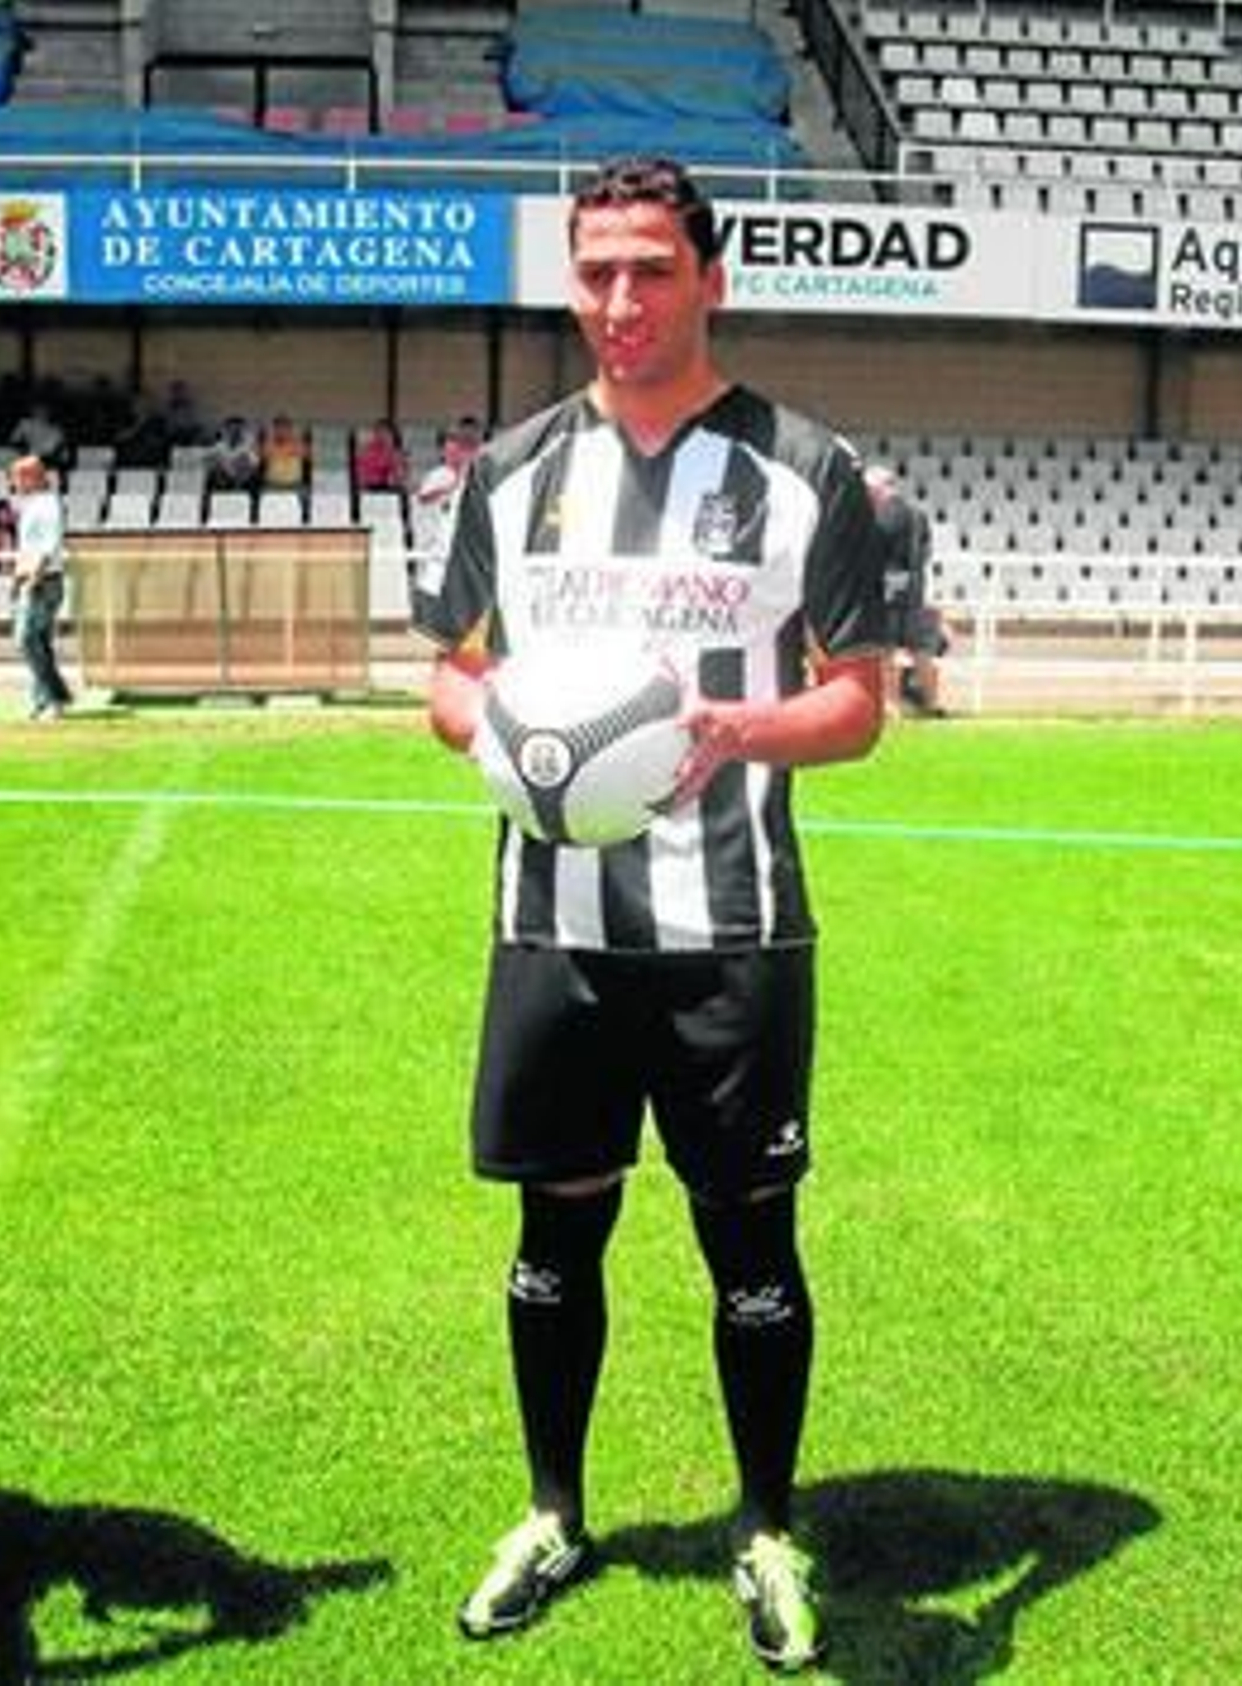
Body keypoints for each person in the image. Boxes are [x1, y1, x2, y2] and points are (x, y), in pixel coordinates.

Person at [411, 156, 887, 1675]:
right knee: (557, 1231)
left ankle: (765, 1527)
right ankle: (554, 1512)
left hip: (733, 931)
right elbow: (444, 675)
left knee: (750, 1236)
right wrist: (514, 738)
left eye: (650, 270)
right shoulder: (512, 470)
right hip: (553, 923)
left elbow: (861, 705)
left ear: (709, 280)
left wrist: (724, 731)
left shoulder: (807, 473)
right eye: (595, 272)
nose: (619, 302)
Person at [864, 463, 948, 718]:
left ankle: (892, 706)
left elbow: (874, 555)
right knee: (922, 651)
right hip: (916, 591)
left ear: (877, 488)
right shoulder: (918, 515)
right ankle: (932, 704)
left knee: (885, 652)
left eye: (868, 489)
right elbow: (925, 553)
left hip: (886, 592)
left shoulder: (880, 516)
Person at [8, 455, 74, 721]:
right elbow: (28, 546)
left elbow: (49, 545)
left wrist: (33, 576)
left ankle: (56, 696)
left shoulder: (48, 505)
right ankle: (42, 699)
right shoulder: (34, 505)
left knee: (25, 639)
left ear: (32, 477)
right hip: (34, 578)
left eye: (18, 478)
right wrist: (17, 578)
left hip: (44, 580)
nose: (14, 484)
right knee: (39, 642)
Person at [409, 419, 481, 563]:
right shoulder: (439, 474)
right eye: (450, 450)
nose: (456, 454)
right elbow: (424, 497)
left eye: (458, 449)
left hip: (455, 541)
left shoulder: (466, 476)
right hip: (432, 541)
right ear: (443, 453)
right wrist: (452, 488)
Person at [352, 416, 409, 496]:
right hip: (369, 490)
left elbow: (401, 478)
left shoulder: (397, 453)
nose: (382, 436)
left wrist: (395, 456)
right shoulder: (369, 451)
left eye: (386, 433)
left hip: (390, 491)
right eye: (378, 432)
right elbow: (360, 473)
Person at [205, 414, 262, 492]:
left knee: (254, 476)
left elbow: (255, 463)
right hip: (227, 480)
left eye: (238, 428)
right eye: (231, 428)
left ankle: (254, 503)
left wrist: (245, 459)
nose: (234, 431)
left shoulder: (249, 443)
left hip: (244, 480)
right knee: (212, 473)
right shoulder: (220, 445)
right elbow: (212, 460)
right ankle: (206, 500)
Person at [260, 413, 310, 490]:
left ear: (290, 430)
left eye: (284, 428)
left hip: (294, 485)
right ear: (274, 430)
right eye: (278, 428)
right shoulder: (268, 445)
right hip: (272, 484)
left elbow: (305, 453)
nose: (281, 431)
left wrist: (286, 451)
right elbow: (263, 454)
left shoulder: (297, 444)